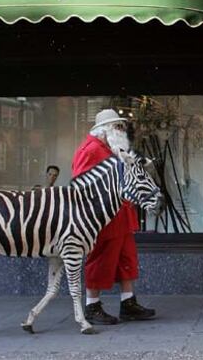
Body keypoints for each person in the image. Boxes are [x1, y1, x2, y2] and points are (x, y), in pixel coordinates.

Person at [71, 109, 155, 325]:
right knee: (100, 259)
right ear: (104, 129)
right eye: (117, 126)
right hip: (105, 218)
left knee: (126, 260)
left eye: (121, 126)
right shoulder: (90, 150)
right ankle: (92, 305)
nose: (121, 130)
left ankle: (128, 303)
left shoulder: (110, 148)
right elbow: (82, 185)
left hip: (121, 216)